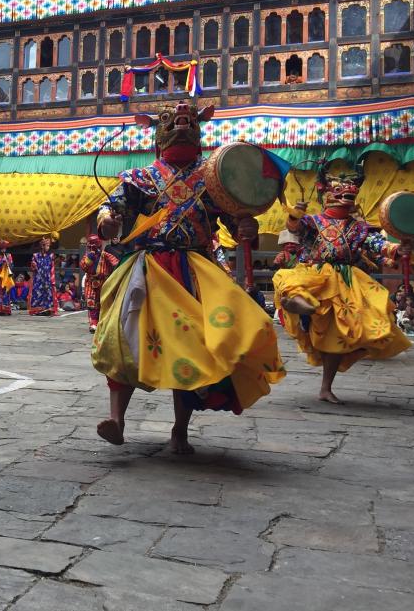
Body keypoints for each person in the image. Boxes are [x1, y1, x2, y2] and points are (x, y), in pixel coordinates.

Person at [93, 101, 285, 454]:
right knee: (125, 341)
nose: (180, 127)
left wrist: (246, 225)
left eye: (188, 123)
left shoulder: (214, 179)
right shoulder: (140, 178)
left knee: (193, 348)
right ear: (158, 134)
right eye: (171, 122)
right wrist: (107, 220)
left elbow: (234, 221)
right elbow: (112, 208)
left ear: (199, 132)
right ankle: (117, 421)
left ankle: (180, 430)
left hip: (194, 271)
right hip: (147, 271)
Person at [273, 166, 410, 403]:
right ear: (327, 195)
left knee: (337, 336)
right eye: (340, 192)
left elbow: (377, 245)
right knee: (292, 283)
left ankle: (326, 388)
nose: (346, 197)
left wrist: (397, 249)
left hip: (346, 280)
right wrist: (295, 213)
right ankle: (299, 305)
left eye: (350, 194)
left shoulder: (358, 227)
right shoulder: (313, 221)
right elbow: (294, 228)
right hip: (316, 272)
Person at [80, 235, 119, 333]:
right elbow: (83, 266)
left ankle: (103, 323)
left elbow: (116, 262)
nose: (93, 247)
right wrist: (90, 257)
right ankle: (93, 323)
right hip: (91, 282)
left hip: (104, 282)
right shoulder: (87, 256)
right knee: (91, 301)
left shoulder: (105, 255)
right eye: (91, 245)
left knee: (104, 302)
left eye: (95, 244)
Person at [29, 237, 59, 316]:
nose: (48, 248)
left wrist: (51, 278)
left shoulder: (50, 256)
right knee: (37, 293)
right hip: (38, 278)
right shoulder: (36, 256)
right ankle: (37, 310)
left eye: (49, 246)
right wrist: (33, 265)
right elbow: (32, 267)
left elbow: (52, 267)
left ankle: (47, 309)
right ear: (42, 246)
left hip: (47, 278)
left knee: (47, 293)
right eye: (47, 246)